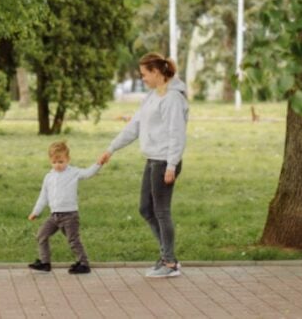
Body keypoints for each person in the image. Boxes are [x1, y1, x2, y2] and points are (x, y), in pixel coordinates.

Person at [99, 52, 188, 278]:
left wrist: (171, 166)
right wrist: (111, 149)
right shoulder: (151, 97)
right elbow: (134, 126)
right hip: (152, 159)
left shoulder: (173, 98)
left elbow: (176, 134)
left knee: (161, 211)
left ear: (157, 72)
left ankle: (169, 263)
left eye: (145, 74)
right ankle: (168, 256)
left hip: (165, 161)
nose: (143, 78)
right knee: (145, 209)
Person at [27, 140, 102, 274]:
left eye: (61, 162)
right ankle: (45, 263)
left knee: (73, 240)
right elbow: (43, 196)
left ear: (67, 159)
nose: (58, 165)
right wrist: (35, 212)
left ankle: (84, 264)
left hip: (70, 215)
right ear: (50, 161)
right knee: (41, 235)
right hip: (54, 216)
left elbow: (88, 173)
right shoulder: (49, 177)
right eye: (54, 162)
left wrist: (99, 163)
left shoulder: (73, 172)